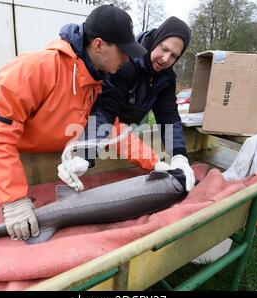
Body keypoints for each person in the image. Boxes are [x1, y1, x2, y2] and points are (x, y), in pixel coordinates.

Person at [0, 5, 147, 241]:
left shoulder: (98, 83)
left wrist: (157, 164)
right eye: (123, 51)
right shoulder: (34, 68)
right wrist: (15, 199)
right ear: (99, 45)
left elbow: (112, 130)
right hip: (19, 168)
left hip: (61, 168)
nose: (128, 58)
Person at [58, 17, 195, 192]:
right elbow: (105, 110)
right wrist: (86, 154)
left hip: (125, 133)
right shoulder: (126, 64)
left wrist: (179, 156)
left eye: (174, 56)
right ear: (156, 40)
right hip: (96, 130)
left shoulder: (166, 78)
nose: (166, 58)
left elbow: (168, 117)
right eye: (164, 49)